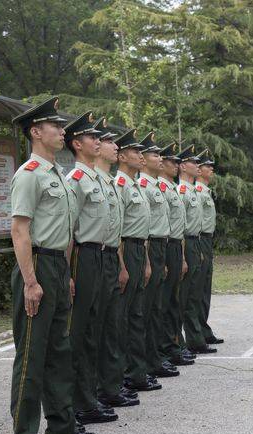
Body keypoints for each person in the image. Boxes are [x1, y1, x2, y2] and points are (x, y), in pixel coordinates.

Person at [9, 96, 96, 434]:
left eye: (62, 126)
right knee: (32, 353)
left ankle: (62, 426)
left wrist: (65, 273)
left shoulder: (56, 173)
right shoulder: (28, 174)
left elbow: (62, 228)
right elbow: (19, 230)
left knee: (60, 351)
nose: (62, 131)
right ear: (35, 131)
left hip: (57, 267)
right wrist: (31, 281)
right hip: (38, 266)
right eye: (55, 126)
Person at [63, 112, 118, 425]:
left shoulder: (97, 179)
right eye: (92, 137)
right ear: (77, 144)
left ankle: (89, 397)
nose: (98, 141)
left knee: (94, 330)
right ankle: (74, 403)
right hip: (82, 257)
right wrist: (69, 273)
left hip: (98, 256)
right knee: (79, 332)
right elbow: (70, 229)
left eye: (99, 137)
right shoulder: (76, 181)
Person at [93, 118, 140, 408]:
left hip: (114, 254)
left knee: (115, 323)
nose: (111, 146)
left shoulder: (111, 182)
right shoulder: (95, 181)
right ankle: (100, 389)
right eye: (108, 141)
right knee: (98, 328)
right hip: (93, 256)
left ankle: (110, 384)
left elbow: (116, 228)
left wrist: (120, 263)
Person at [115, 129, 159, 392]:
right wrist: (122, 265)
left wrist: (145, 261)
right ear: (122, 156)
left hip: (138, 251)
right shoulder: (119, 185)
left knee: (136, 315)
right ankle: (121, 375)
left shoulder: (135, 186)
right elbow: (116, 229)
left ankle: (136, 372)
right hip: (124, 249)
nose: (141, 157)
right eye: (136, 152)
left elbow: (142, 227)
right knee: (121, 318)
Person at [137, 132, 180, 380]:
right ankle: (144, 362)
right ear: (143, 159)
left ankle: (154, 358)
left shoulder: (156, 186)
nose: (161, 159)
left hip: (160, 245)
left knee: (156, 308)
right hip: (148, 246)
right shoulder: (142, 185)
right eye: (155, 154)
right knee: (144, 310)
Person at [157, 142, 195, 366]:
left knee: (172, 301)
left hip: (173, 245)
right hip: (161, 245)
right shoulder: (160, 188)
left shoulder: (170, 188)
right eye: (171, 161)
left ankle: (172, 346)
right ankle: (166, 349)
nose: (176, 165)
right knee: (162, 303)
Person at [177, 145, 217, 354]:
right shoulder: (184, 191)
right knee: (189, 293)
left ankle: (200, 331)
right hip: (191, 241)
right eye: (197, 163)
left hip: (201, 241)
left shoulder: (196, 191)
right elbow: (181, 224)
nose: (205, 168)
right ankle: (193, 337)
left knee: (200, 291)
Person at [195, 150, 223, 344]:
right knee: (196, 291)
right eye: (207, 166)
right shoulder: (195, 190)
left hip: (206, 240)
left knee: (205, 289)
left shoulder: (205, 190)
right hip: (198, 239)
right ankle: (196, 334)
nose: (211, 169)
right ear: (198, 170)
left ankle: (203, 329)